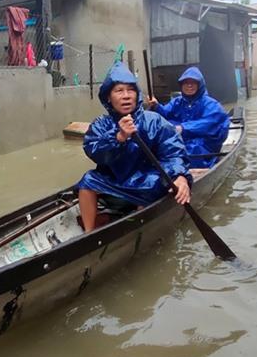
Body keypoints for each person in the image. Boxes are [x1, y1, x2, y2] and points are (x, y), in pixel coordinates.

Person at [77, 64, 191, 232]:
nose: (126, 96)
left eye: (130, 90)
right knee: (88, 180)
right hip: (115, 180)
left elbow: (173, 152)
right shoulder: (101, 124)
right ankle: (88, 233)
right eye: (119, 91)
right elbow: (93, 151)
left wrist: (180, 176)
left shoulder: (155, 121)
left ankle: (141, 218)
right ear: (108, 97)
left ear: (137, 95)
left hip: (146, 180)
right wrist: (118, 138)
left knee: (160, 182)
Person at [145, 67, 230, 168]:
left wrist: (183, 128)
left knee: (191, 150)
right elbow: (165, 114)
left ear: (200, 85)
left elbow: (208, 124)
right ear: (181, 85)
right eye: (186, 83)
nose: (189, 86)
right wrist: (156, 106)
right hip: (182, 140)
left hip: (204, 145)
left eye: (193, 83)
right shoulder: (177, 101)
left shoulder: (211, 104)